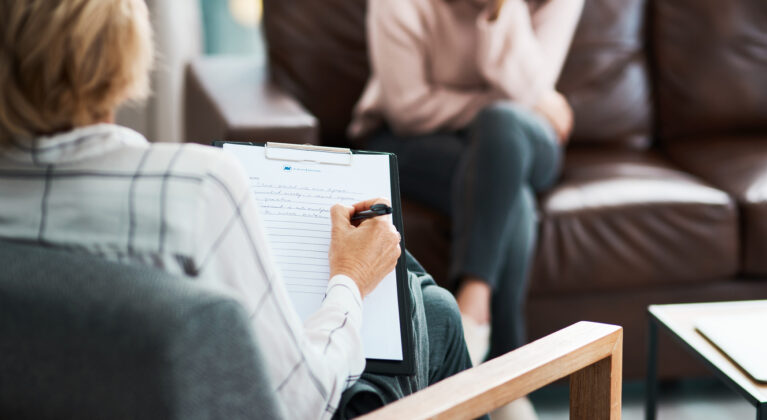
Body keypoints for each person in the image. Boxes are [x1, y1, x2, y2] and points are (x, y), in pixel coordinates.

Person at [0, 1, 482, 419]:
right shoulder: (197, 188)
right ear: (119, 52)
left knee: (406, 278)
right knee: (434, 309)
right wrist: (350, 280)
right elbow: (300, 400)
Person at [349, 0, 584, 417]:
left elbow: (532, 88)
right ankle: (510, 377)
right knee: (508, 186)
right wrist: (493, 119)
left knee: (502, 129)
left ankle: (473, 314)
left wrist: (500, 11)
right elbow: (407, 108)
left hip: (519, 136)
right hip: (417, 140)